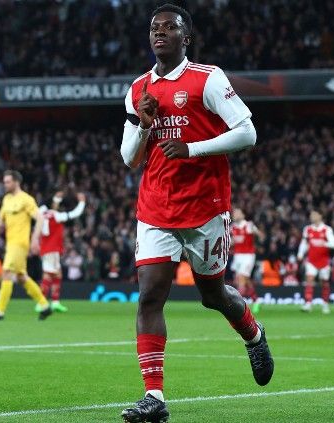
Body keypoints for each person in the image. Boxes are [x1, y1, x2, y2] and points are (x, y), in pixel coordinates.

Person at [118, 4, 272, 421]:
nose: (160, 32)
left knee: (212, 295)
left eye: (170, 27)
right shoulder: (137, 89)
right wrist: (146, 125)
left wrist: (192, 149)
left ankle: (253, 334)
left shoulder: (207, 78)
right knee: (150, 295)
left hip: (204, 207)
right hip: (154, 207)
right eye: (155, 27)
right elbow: (130, 159)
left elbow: (247, 132)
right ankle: (155, 398)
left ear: (186, 38)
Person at [0, 170, 51, 321]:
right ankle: (45, 306)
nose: (5, 184)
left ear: (16, 182)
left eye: (8, 182)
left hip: (20, 243)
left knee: (6, 272)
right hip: (11, 243)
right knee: (21, 277)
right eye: (4, 181)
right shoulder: (7, 199)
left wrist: (35, 239)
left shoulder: (26, 199)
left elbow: (40, 219)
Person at [37, 191, 86, 313]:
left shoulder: (41, 213)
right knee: (48, 274)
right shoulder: (56, 216)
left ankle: (55, 302)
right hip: (52, 249)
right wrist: (82, 202)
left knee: (57, 274)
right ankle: (41, 302)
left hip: (47, 249)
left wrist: (55, 199)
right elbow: (75, 213)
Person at [297, 210, 334, 314]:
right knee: (309, 279)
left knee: (325, 282)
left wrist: (324, 243)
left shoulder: (327, 229)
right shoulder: (308, 229)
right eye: (311, 215)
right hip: (311, 260)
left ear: (320, 216)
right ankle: (308, 304)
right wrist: (300, 253)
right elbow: (304, 243)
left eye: (314, 214)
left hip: (324, 261)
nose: (312, 216)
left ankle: (325, 304)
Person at [230, 208, 264, 312]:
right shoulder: (233, 227)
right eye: (234, 213)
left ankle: (240, 305)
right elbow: (232, 242)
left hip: (248, 255)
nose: (236, 215)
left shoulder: (248, 225)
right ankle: (256, 300)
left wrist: (257, 234)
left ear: (243, 215)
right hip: (237, 256)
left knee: (241, 277)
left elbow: (261, 236)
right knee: (244, 279)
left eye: (238, 213)